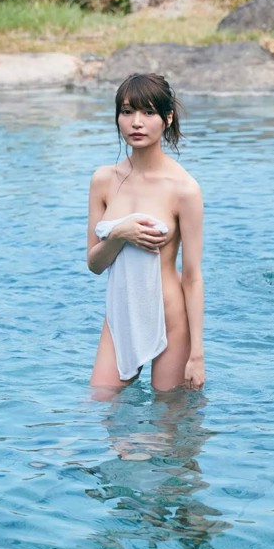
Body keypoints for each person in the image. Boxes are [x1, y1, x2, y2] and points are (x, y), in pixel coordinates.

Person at [87, 73, 205, 393]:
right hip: (120, 315)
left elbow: (192, 277)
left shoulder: (184, 190)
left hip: (170, 319)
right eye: (127, 112)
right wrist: (120, 234)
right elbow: (94, 265)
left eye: (148, 112)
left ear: (167, 118)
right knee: (102, 408)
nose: (136, 122)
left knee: (173, 432)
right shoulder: (103, 180)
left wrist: (197, 354)